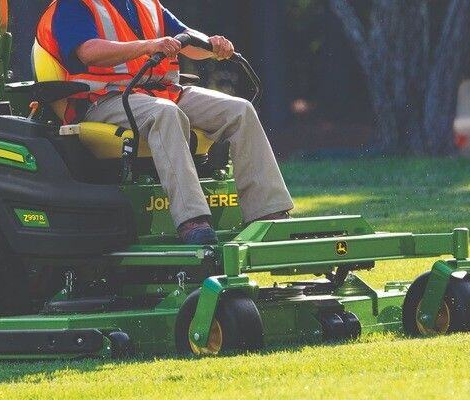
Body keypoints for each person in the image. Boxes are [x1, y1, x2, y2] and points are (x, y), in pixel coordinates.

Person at [35, 0, 293, 244]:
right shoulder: (74, 5)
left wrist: (212, 46)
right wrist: (149, 45)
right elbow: (89, 52)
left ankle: (268, 214)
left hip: (160, 92)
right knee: (166, 114)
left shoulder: (145, 4)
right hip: (103, 98)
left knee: (240, 110)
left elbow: (184, 39)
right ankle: (192, 220)